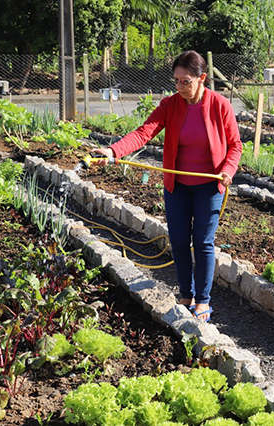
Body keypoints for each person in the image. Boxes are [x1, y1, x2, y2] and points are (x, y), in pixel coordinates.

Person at [91, 50, 242, 322]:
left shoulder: (220, 105)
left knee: (203, 242)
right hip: (178, 187)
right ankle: (187, 294)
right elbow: (144, 132)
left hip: (209, 187)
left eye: (185, 81)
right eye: (176, 81)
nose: (179, 87)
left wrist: (228, 170)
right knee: (180, 241)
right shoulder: (170, 105)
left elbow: (235, 145)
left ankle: (204, 300)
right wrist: (113, 152)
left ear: (202, 79)